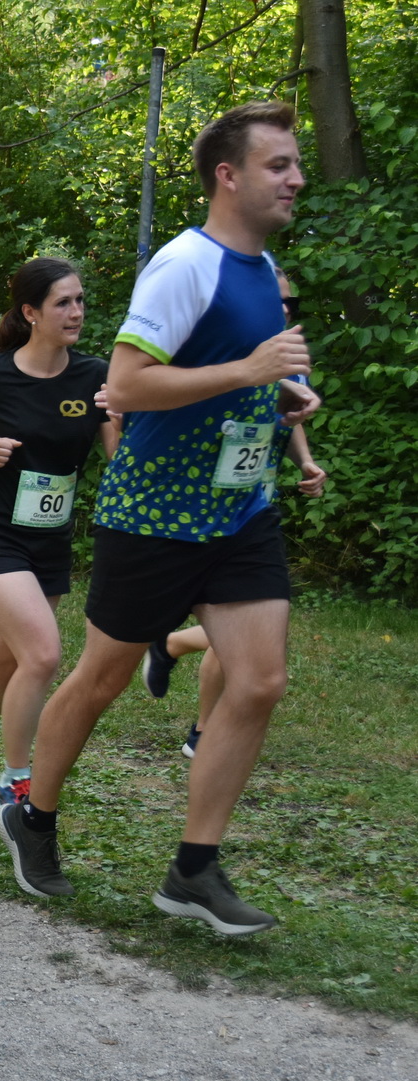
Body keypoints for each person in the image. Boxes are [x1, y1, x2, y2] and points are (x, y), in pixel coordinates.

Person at [0, 102, 319, 936]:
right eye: (279, 164)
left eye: (295, 163)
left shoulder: (257, 264)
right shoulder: (185, 264)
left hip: (238, 508)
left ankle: (194, 867)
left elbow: (222, 370)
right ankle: (32, 813)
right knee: (101, 678)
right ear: (229, 174)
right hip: (155, 515)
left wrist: (274, 389)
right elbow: (129, 387)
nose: (295, 177)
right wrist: (248, 366)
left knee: (259, 678)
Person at [0, 258, 118, 808]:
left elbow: (117, 454)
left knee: (6, 663)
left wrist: (126, 418)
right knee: (41, 656)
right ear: (31, 312)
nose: (77, 311)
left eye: (80, 300)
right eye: (63, 302)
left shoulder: (94, 374)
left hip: (49, 540)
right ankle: (17, 781)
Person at [142, 266, 325, 760]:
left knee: (248, 636)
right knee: (232, 633)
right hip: (191, 511)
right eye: (275, 303)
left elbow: (287, 414)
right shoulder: (226, 348)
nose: (285, 313)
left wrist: (305, 461)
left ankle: (196, 712)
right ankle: (173, 656)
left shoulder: (290, 356)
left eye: (292, 305)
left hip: (252, 509)